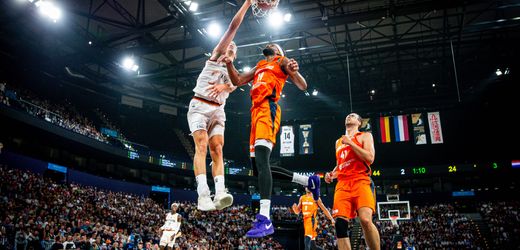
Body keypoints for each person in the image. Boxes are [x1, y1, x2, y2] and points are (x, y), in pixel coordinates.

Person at [223, 43, 321, 238]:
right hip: (255, 112)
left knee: (262, 160)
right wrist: (228, 64)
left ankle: (265, 218)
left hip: (268, 109)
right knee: (258, 168)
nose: (269, 44)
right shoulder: (260, 65)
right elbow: (239, 80)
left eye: (274, 45)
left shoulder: (281, 61)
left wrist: (294, 71)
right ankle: (307, 180)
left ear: (279, 52)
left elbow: (302, 85)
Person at [187, 0, 251, 211]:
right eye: (230, 44)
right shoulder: (215, 58)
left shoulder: (232, 72)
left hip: (218, 110)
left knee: (218, 148)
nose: (231, 45)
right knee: (202, 145)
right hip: (200, 105)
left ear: (236, 55)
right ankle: (203, 194)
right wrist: (248, 3)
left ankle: (220, 192)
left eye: (234, 47)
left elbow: (235, 84)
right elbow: (233, 27)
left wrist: (226, 87)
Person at [324, 113, 380, 250]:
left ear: (359, 123)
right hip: (343, 184)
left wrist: (350, 143)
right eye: (348, 116)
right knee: (339, 225)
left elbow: (370, 158)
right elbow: (341, 164)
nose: (349, 117)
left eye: (353, 116)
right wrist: (331, 174)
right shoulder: (338, 142)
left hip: (361, 180)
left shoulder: (365, 136)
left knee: (365, 220)